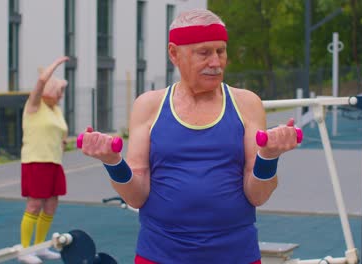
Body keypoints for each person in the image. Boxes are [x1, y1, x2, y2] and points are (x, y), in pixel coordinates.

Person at [80, 9, 298, 264]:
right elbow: (136, 196)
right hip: (160, 255)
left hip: (235, 255)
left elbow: (258, 196)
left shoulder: (247, 104)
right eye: (204, 53)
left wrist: (269, 156)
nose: (216, 62)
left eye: (221, 51)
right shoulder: (148, 106)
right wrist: (112, 161)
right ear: (174, 53)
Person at [18, 56, 69, 264]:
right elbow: (40, 82)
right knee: (34, 204)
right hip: (35, 161)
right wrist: (56, 65)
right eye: (60, 91)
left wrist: (62, 143)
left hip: (54, 162)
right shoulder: (34, 105)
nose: (61, 95)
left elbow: (59, 133)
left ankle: (39, 247)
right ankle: (25, 250)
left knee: (51, 204)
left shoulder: (55, 110)